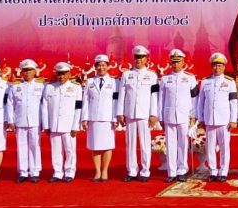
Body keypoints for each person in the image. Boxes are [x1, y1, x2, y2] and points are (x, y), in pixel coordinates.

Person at [116, 45, 159, 183]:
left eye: (141, 57)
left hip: (145, 114)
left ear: (146, 59)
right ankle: (132, 171)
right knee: (130, 144)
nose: (138, 59)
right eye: (136, 57)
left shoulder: (152, 76)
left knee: (145, 144)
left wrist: (153, 113)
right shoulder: (126, 75)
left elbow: (154, 96)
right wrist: (120, 113)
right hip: (130, 113)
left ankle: (145, 171)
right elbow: (122, 95)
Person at [196, 52, 238, 182]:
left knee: (224, 147)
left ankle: (224, 171)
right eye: (214, 65)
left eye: (219, 65)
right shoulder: (205, 82)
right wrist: (201, 119)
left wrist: (233, 119)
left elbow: (233, 102)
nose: (217, 68)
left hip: (224, 121)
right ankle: (213, 171)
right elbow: (200, 102)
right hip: (209, 119)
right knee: (210, 147)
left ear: (224, 67)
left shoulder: (229, 82)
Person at [158, 49, 198, 183]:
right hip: (169, 115)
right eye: (173, 62)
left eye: (178, 62)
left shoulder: (190, 78)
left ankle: (182, 170)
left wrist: (193, 116)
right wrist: (160, 117)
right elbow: (161, 99)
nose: (175, 64)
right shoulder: (165, 79)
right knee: (170, 144)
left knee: (183, 144)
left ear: (183, 62)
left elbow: (194, 99)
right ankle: (171, 171)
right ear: (170, 63)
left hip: (184, 115)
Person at [41, 62, 82, 183]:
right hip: (54, 124)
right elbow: (44, 107)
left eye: (64, 74)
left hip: (69, 125)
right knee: (56, 151)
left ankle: (70, 172)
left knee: (70, 150)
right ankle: (57, 172)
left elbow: (78, 108)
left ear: (69, 74)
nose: (61, 76)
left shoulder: (76, 87)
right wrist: (46, 125)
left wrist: (76, 126)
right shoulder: (49, 87)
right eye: (59, 74)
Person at [5, 59, 45, 183]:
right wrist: (11, 120)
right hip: (20, 120)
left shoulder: (41, 86)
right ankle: (23, 172)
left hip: (35, 120)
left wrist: (44, 122)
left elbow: (44, 105)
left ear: (35, 72)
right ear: (21, 72)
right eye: (25, 70)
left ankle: (35, 172)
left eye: (30, 70)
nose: (27, 73)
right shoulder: (15, 86)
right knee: (21, 146)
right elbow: (10, 104)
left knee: (35, 146)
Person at [82, 54, 119, 183]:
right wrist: (84, 118)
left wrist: (115, 118)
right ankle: (97, 171)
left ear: (108, 66)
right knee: (95, 145)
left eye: (103, 65)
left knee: (108, 145)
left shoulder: (114, 82)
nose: (101, 68)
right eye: (98, 65)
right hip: (94, 118)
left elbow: (116, 101)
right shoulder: (90, 81)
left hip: (108, 118)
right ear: (95, 67)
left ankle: (105, 171)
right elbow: (85, 101)